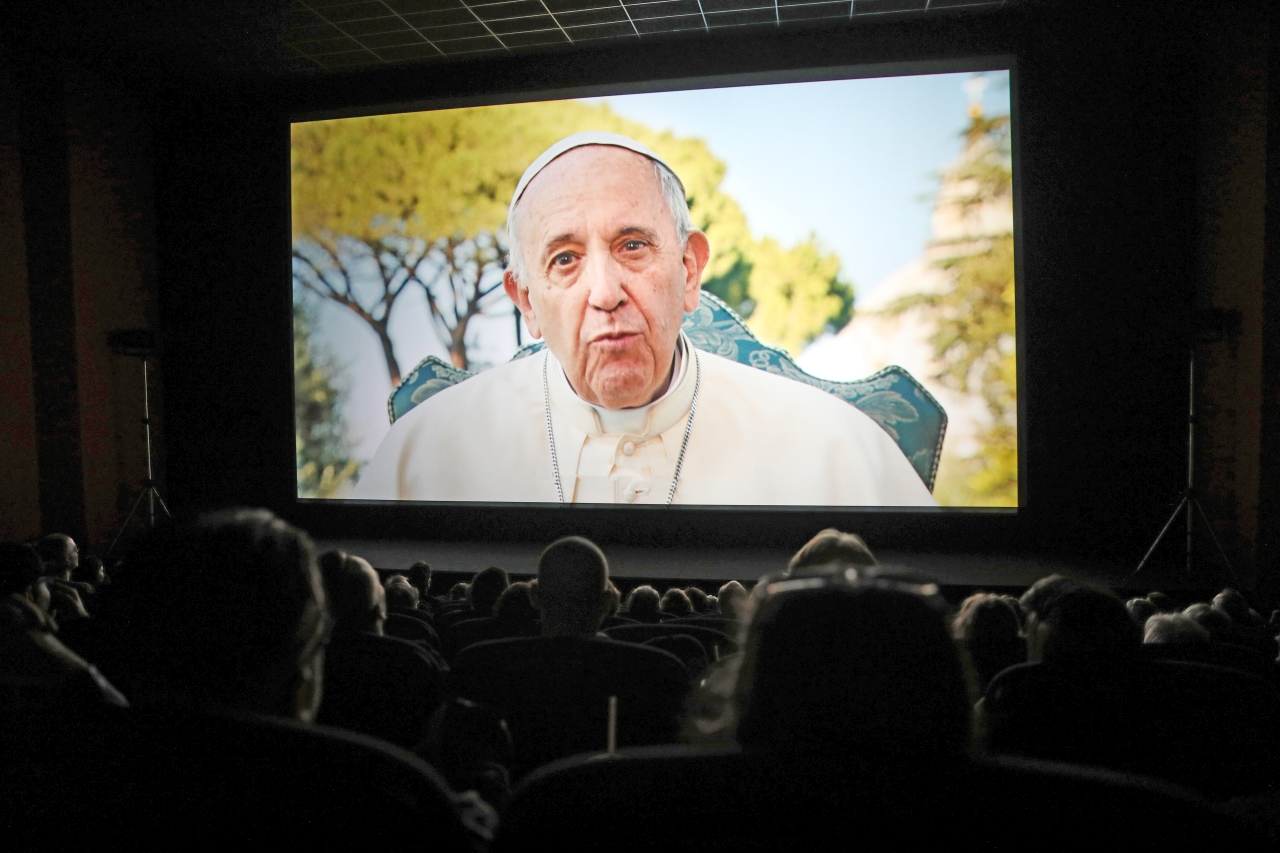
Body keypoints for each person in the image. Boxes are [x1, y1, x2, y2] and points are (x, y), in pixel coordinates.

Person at [352, 132, 936, 508]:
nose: (605, 293)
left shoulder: (835, 448)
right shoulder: (423, 454)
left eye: (632, 246)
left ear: (689, 269)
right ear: (526, 302)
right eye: (565, 259)